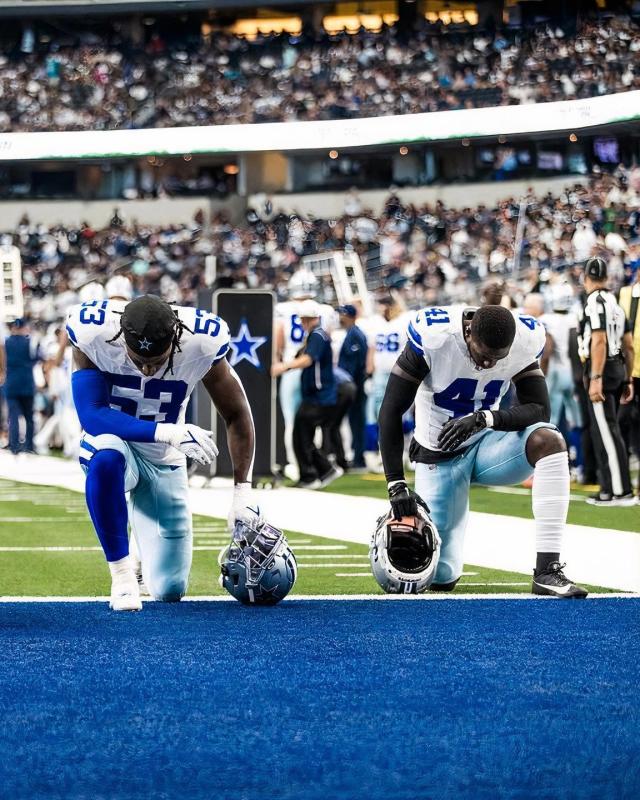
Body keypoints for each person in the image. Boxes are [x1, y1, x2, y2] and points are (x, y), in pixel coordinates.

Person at [377, 304, 588, 598]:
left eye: (496, 359)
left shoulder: (525, 338)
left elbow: (541, 409)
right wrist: (396, 483)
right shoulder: (436, 336)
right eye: (482, 355)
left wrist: (485, 418)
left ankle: (547, 571)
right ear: (468, 332)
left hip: (488, 445)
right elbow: (390, 410)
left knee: (548, 441)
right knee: (439, 576)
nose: (488, 365)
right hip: (440, 455)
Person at [67, 294, 262, 611]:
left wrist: (242, 492)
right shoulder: (93, 331)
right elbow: (92, 415)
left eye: (156, 362)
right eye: (137, 360)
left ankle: (142, 548)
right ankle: (122, 575)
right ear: (120, 337)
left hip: (163, 458)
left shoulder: (202, 340)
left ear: (177, 339)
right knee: (106, 455)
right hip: (117, 442)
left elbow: (237, 413)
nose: (146, 369)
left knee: (169, 589)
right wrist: (169, 432)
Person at [579, 257, 635, 506]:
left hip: (601, 367)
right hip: (618, 366)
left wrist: (596, 377)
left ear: (586, 278)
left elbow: (599, 340)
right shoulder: (615, 302)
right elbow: (629, 345)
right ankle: (612, 488)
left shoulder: (594, 302)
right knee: (608, 429)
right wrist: (628, 378)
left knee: (605, 431)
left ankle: (618, 491)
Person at [271, 299, 341, 489]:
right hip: (316, 394)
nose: (302, 323)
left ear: (311, 319)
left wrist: (282, 366)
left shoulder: (318, 335)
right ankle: (324, 469)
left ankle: (310, 475)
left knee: (300, 433)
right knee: (304, 434)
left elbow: (308, 360)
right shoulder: (315, 335)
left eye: (305, 319)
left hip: (319, 395)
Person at [336, 304, 368, 469]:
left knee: (356, 422)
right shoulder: (350, 334)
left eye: (343, 314)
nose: (341, 317)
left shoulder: (355, 335)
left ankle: (359, 458)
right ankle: (355, 456)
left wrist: (351, 385)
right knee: (353, 422)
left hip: (355, 386)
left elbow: (356, 364)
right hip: (352, 385)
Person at [617, 267, 640, 493]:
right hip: (627, 370)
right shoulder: (624, 293)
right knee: (621, 422)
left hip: (630, 369)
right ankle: (621, 484)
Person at [3, 318, 39, 455]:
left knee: (13, 416)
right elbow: (36, 359)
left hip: (11, 383)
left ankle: (14, 445)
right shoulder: (30, 342)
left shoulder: (5, 342)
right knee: (29, 417)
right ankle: (29, 445)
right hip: (27, 383)